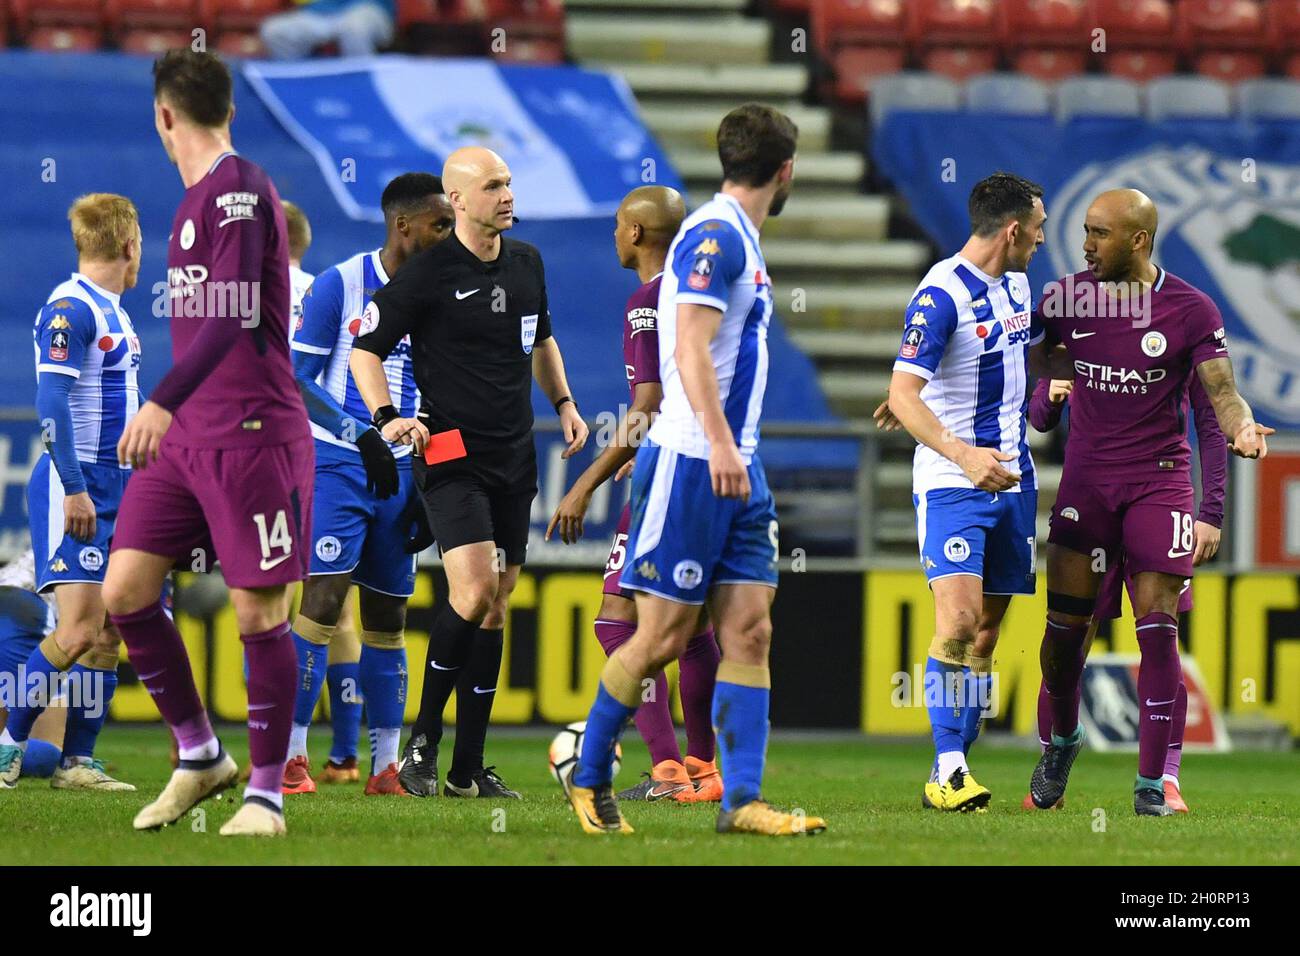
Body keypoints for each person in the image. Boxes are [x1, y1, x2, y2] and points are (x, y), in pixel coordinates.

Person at [561, 104, 826, 836]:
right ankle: (590, 780)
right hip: (692, 460)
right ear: (786, 171)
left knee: (750, 631)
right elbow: (689, 348)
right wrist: (715, 442)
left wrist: (732, 449)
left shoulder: (734, 235)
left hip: (738, 463)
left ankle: (740, 802)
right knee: (662, 637)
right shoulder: (715, 235)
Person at [101, 49, 314, 837]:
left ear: (164, 115)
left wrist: (158, 400)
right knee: (125, 592)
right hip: (192, 439)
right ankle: (199, 754)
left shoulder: (238, 191)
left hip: (254, 432)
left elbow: (231, 316)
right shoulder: (195, 200)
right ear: (227, 104)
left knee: (260, 612)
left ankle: (266, 795)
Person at [350, 145, 589, 799]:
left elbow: (541, 338)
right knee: (474, 590)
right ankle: (421, 747)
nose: (507, 194)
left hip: (515, 455)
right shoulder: (429, 274)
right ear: (457, 200)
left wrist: (564, 404)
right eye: (492, 185)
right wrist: (388, 416)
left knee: (496, 604)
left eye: (509, 182)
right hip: (450, 452)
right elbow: (364, 349)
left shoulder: (528, 263)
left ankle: (466, 768)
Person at [1030, 188, 1272, 816]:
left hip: (1158, 483)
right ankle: (1060, 741)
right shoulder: (1063, 299)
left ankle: (1152, 785)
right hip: (1086, 484)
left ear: (1138, 241)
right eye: (1084, 231)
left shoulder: (1190, 309)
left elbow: (1220, 394)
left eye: (1099, 233)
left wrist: (1241, 428)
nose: (1085, 244)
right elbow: (1031, 383)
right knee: (1063, 635)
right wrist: (1045, 397)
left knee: (1158, 627)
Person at [546, 185, 724, 803]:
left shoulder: (648, 303)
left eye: (620, 225)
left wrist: (584, 483)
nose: (614, 235)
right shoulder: (700, 294)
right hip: (709, 466)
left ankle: (670, 769)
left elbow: (647, 403)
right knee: (694, 624)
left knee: (617, 621)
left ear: (639, 234)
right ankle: (704, 768)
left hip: (669, 476)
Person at [886, 172, 1050, 813]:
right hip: (954, 480)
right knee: (955, 622)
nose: (1040, 239)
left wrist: (1050, 390)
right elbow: (906, 394)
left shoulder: (1017, 282)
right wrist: (958, 450)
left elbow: (997, 358)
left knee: (985, 635)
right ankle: (948, 769)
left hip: (1015, 479)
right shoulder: (940, 292)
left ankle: (956, 757)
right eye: (1037, 229)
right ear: (1013, 230)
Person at [286, 172, 454, 796]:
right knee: (322, 602)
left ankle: (387, 767)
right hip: (337, 461)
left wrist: (435, 479)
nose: (449, 234)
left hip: (410, 468)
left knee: (388, 615)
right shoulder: (341, 284)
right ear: (403, 225)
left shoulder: (447, 291)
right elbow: (296, 379)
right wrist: (359, 433)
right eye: (440, 224)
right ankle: (293, 756)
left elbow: (450, 391)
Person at [1023, 375, 1227, 814]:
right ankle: (1052, 766)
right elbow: (1038, 418)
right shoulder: (1082, 324)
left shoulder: (1180, 322)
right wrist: (1050, 395)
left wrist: (1211, 510)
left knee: (1160, 638)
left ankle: (1164, 778)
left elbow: (1210, 419)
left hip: (1158, 499)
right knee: (1068, 643)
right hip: (1092, 502)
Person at [0, 193, 144, 791]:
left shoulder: (113, 309)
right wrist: (77, 489)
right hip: (75, 481)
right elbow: (51, 403)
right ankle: (9, 744)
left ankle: (75, 762)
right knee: (81, 627)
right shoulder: (72, 307)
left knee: (112, 628)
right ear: (131, 247)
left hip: (118, 483)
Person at [261, 0, 395, 60]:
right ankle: (298, 88)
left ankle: (364, 89)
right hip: (323, 12)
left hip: (369, 8)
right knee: (274, 31)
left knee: (353, 29)